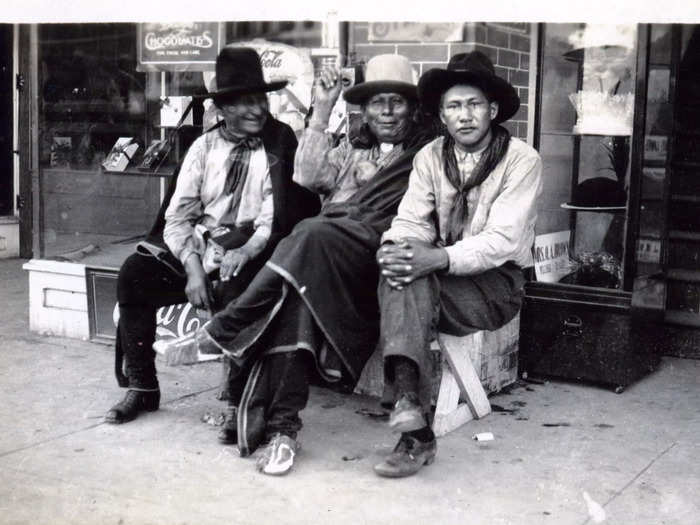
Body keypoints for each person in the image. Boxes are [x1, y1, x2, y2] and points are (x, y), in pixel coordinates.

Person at [158, 54, 437, 475]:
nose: (386, 111)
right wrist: (322, 111)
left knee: (309, 233)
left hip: (373, 272)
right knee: (298, 299)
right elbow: (306, 177)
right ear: (363, 109)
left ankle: (227, 330)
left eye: (396, 102)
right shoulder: (349, 148)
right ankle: (283, 431)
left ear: (413, 108)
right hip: (323, 265)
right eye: (376, 103)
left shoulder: (427, 155)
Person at [105, 46, 319, 424]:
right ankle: (142, 387)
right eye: (243, 103)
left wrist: (246, 251)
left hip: (256, 248)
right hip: (201, 248)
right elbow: (178, 215)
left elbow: (275, 216)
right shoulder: (203, 147)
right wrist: (192, 269)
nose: (256, 110)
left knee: (240, 289)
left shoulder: (280, 141)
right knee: (134, 276)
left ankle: (238, 403)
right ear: (222, 108)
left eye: (260, 100)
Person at [373, 51, 543, 478]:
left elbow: (501, 241)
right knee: (400, 275)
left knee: (410, 280)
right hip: (440, 273)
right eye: (453, 106)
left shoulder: (522, 159)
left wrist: (435, 258)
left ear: (493, 110)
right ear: (442, 115)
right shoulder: (430, 156)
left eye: (474, 104)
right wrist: (398, 247)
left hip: (496, 284)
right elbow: (411, 219)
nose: (464, 116)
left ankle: (411, 415)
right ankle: (412, 415)